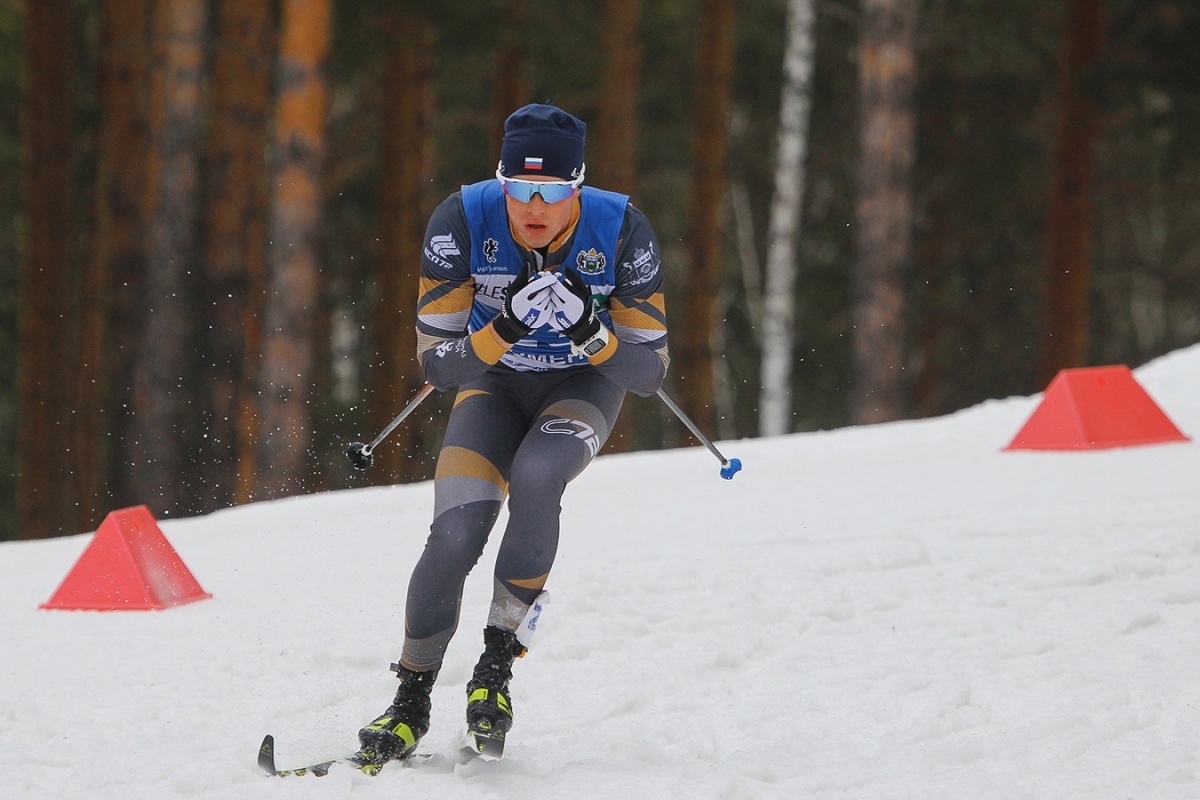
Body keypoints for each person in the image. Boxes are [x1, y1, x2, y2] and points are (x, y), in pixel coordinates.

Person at [357, 103, 669, 762]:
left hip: (582, 389)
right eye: (518, 187)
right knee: (455, 532)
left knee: (536, 478)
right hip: (491, 388)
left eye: (552, 191)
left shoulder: (621, 230)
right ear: (500, 180)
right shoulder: (463, 220)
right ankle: (409, 702)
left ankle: (492, 676)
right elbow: (438, 369)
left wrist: (593, 332)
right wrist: (505, 329)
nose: (533, 204)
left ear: (576, 187)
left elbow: (646, 374)